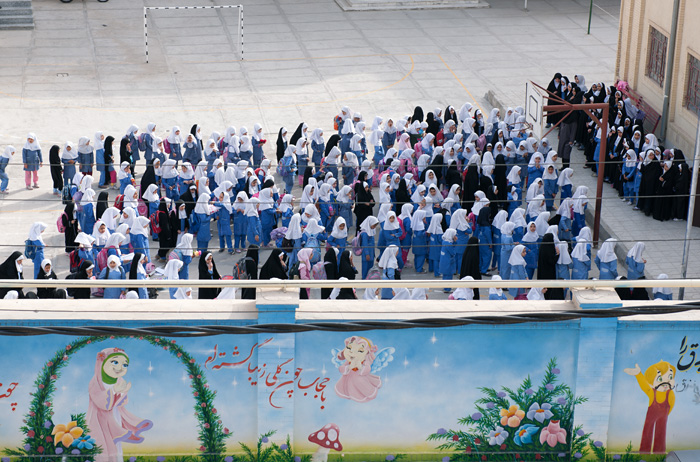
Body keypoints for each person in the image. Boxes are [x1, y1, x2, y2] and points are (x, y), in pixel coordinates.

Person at [537, 233, 563, 300]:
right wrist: (557, 255)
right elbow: (552, 261)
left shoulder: (542, 247)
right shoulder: (549, 249)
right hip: (549, 273)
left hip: (542, 272)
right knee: (549, 288)